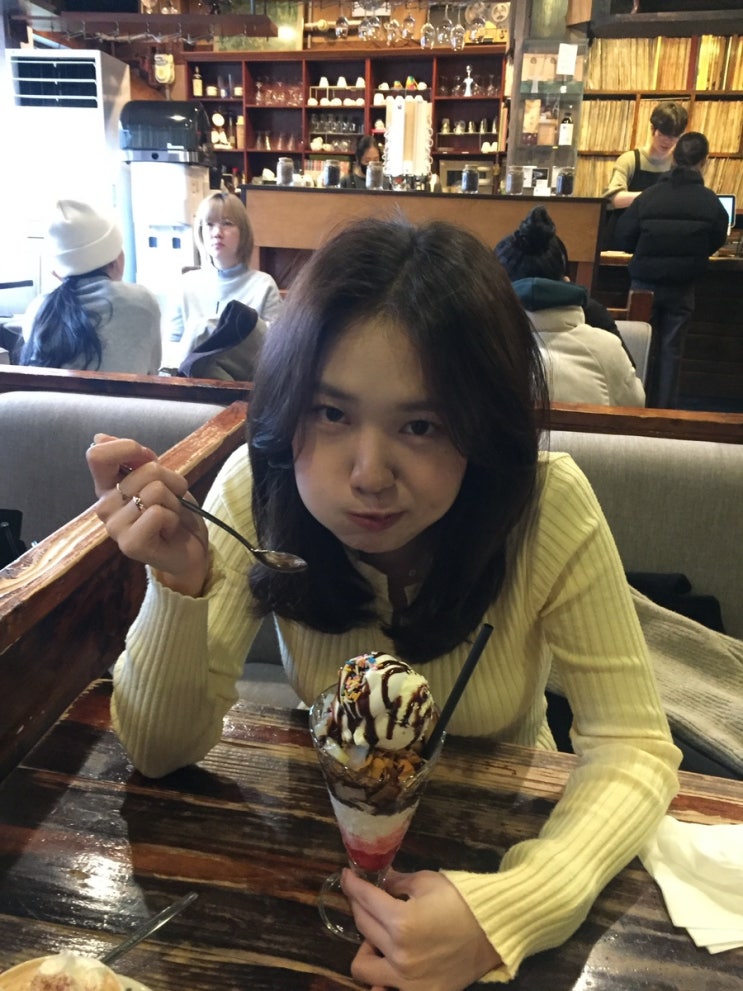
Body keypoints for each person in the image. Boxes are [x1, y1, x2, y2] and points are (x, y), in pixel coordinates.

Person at [86, 216, 679, 991]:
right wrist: (177, 586)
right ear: (291, 405)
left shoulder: (545, 508)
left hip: (494, 845)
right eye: (331, 413)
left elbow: (633, 747)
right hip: (316, 871)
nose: (368, 473)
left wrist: (510, 907)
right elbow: (158, 752)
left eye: (421, 424)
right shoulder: (257, 492)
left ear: (480, 427)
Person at [615, 131, 729, 408]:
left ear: (674, 159)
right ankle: (664, 413)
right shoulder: (710, 202)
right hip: (682, 286)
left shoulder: (648, 197)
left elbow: (623, 236)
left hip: (644, 285)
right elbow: (717, 239)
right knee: (671, 350)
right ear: (704, 161)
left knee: (638, 346)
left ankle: (634, 408)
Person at [495, 206, 646, 407]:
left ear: (496, 286)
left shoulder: (476, 347)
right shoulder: (606, 350)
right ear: (566, 280)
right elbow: (635, 408)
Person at [20, 199, 161, 374]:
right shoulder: (142, 301)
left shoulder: (38, 309)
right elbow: (151, 372)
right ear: (117, 259)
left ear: (57, 273)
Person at [161, 192, 282, 377]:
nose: (217, 233)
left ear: (243, 232)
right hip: (188, 385)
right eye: (209, 224)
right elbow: (171, 350)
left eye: (227, 223)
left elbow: (277, 352)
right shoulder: (186, 284)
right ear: (200, 232)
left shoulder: (263, 285)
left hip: (244, 385)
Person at [602, 101, 688, 249]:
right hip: (626, 240)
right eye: (663, 134)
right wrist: (655, 196)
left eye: (674, 137)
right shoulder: (630, 160)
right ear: (652, 129)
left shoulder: (680, 165)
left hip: (662, 241)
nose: (667, 141)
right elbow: (613, 199)